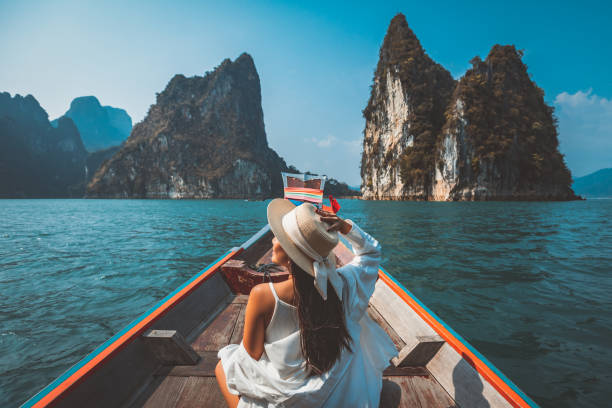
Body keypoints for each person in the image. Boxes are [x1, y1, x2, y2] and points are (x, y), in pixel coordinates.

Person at [215, 199, 397, 407]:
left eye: (279, 236)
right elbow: (371, 252)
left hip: (288, 395)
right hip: (328, 385)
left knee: (223, 364)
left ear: (292, 253)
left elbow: (252, 354)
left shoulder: (263, 295)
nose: (273, 239)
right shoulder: (344, 285)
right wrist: (346, 227)